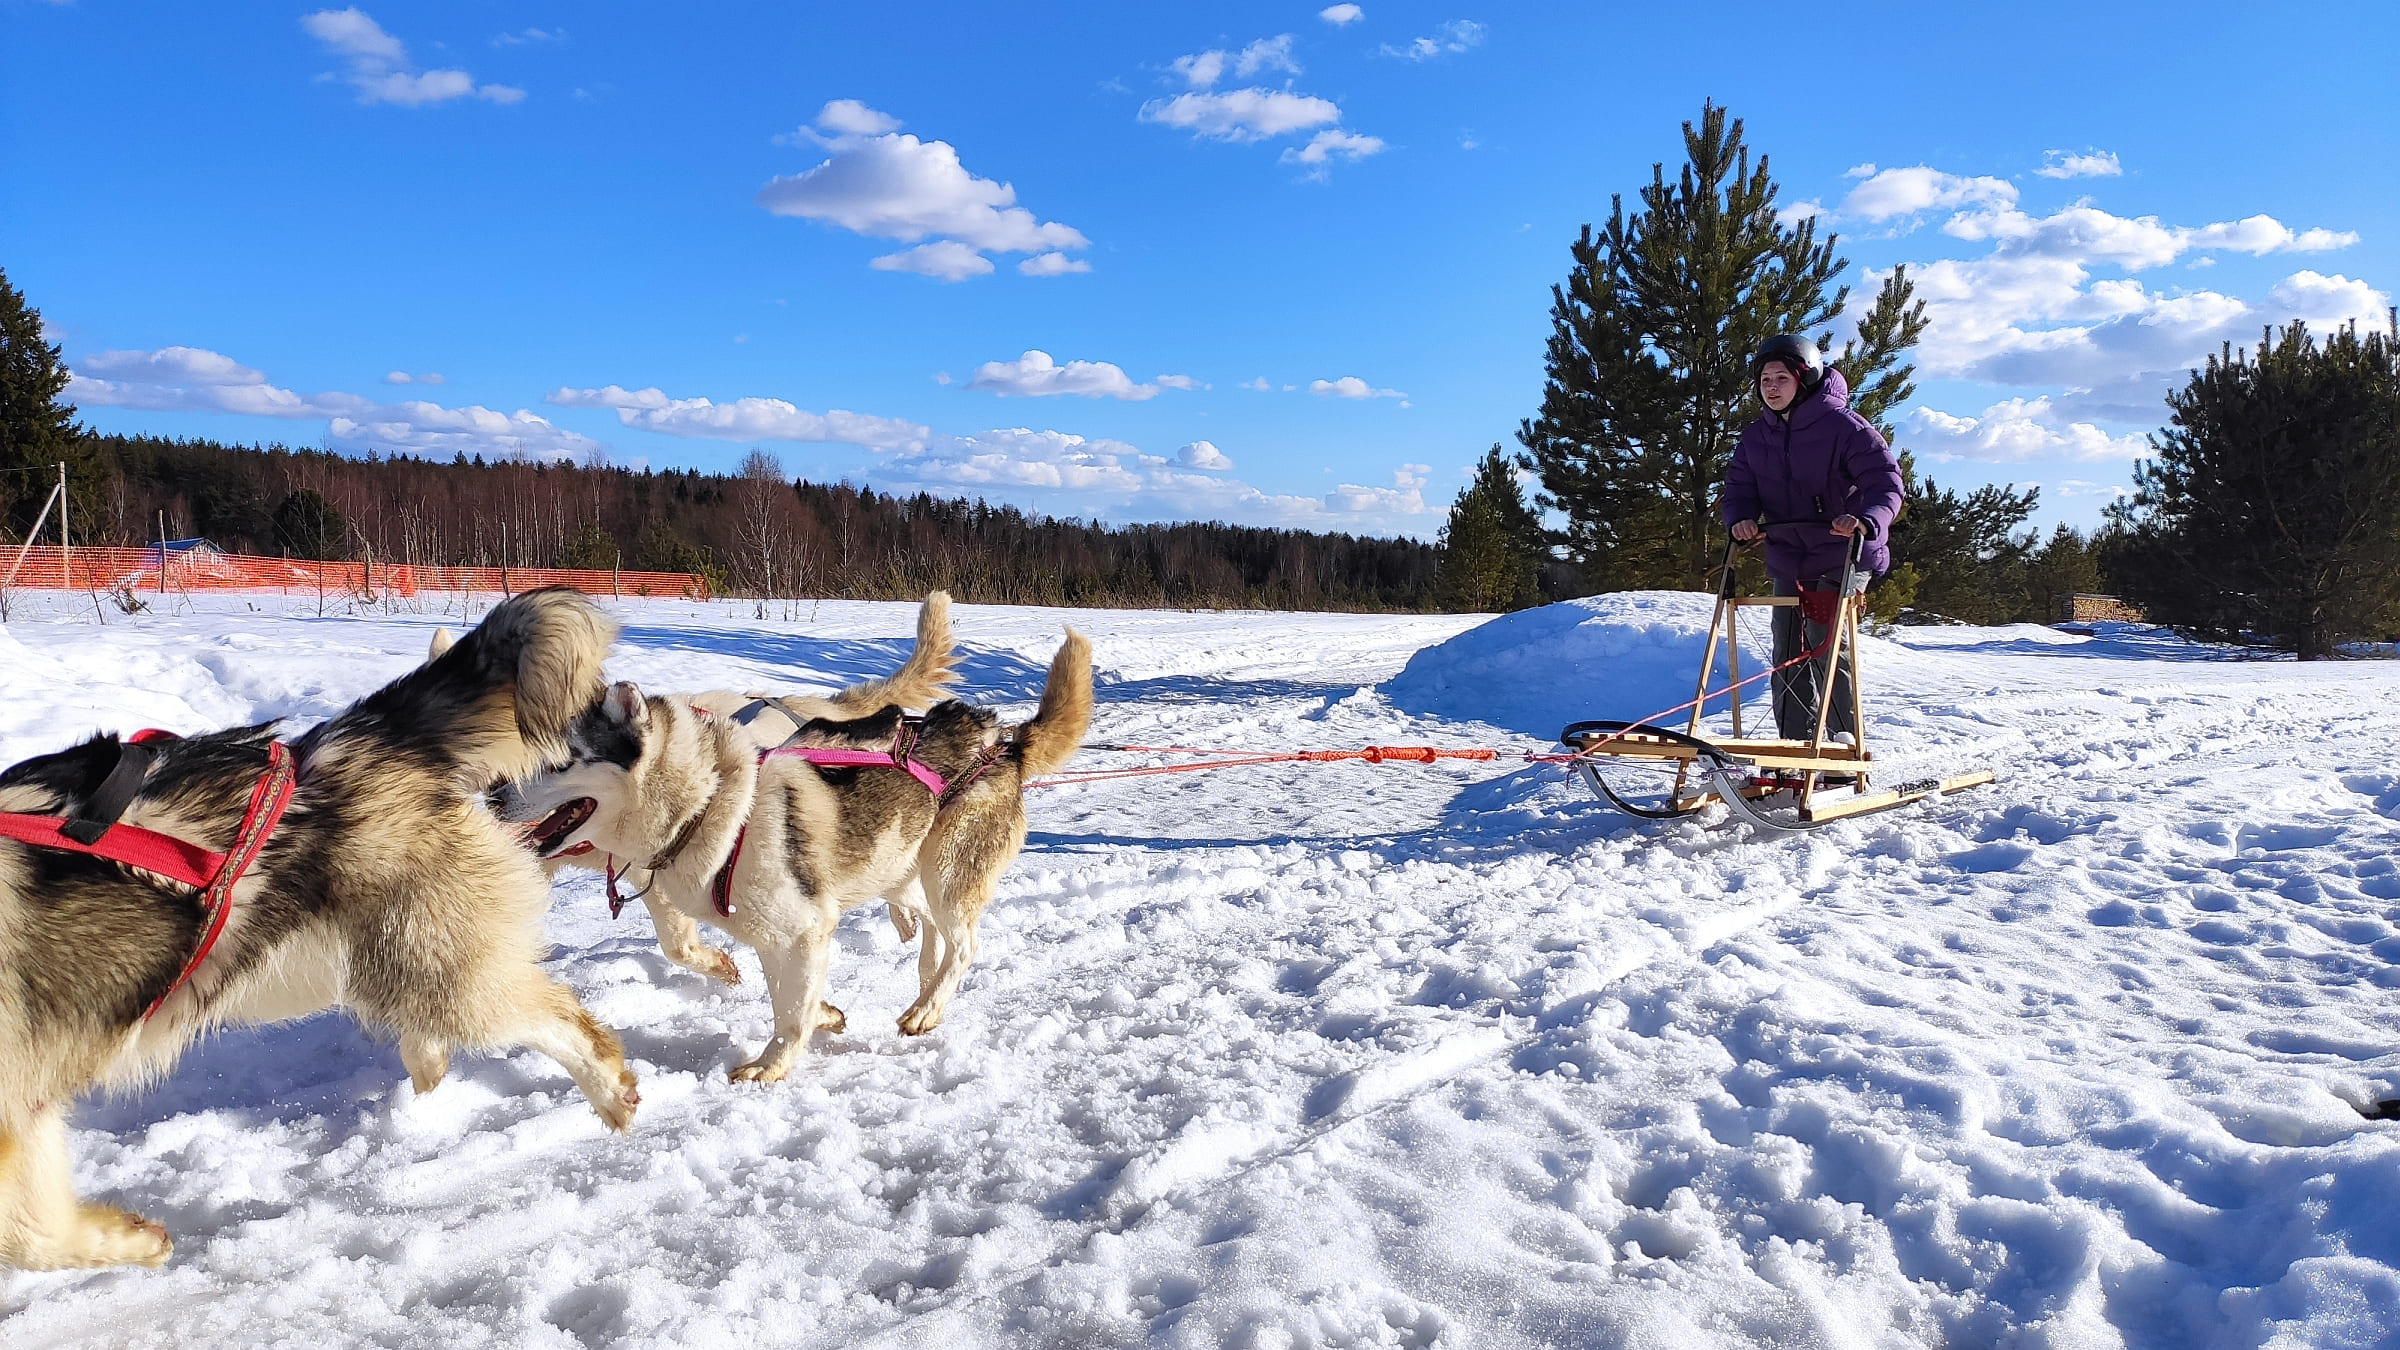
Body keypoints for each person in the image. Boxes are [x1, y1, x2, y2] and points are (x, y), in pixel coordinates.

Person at [1720, 334, 1905, 749]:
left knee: (1824, 641)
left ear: (1804, 380)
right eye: (1765, 380)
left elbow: (1886, 483)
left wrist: (1865, 520)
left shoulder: (1845, 427)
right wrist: (1740, 520)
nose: (1771, 388)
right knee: (1787, 649)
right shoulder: (1755, 437)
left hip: (1844, 551)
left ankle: (1843, 745)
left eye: (1781, 379)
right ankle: (1796, 749)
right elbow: (1739, 490)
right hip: (1790, 554)